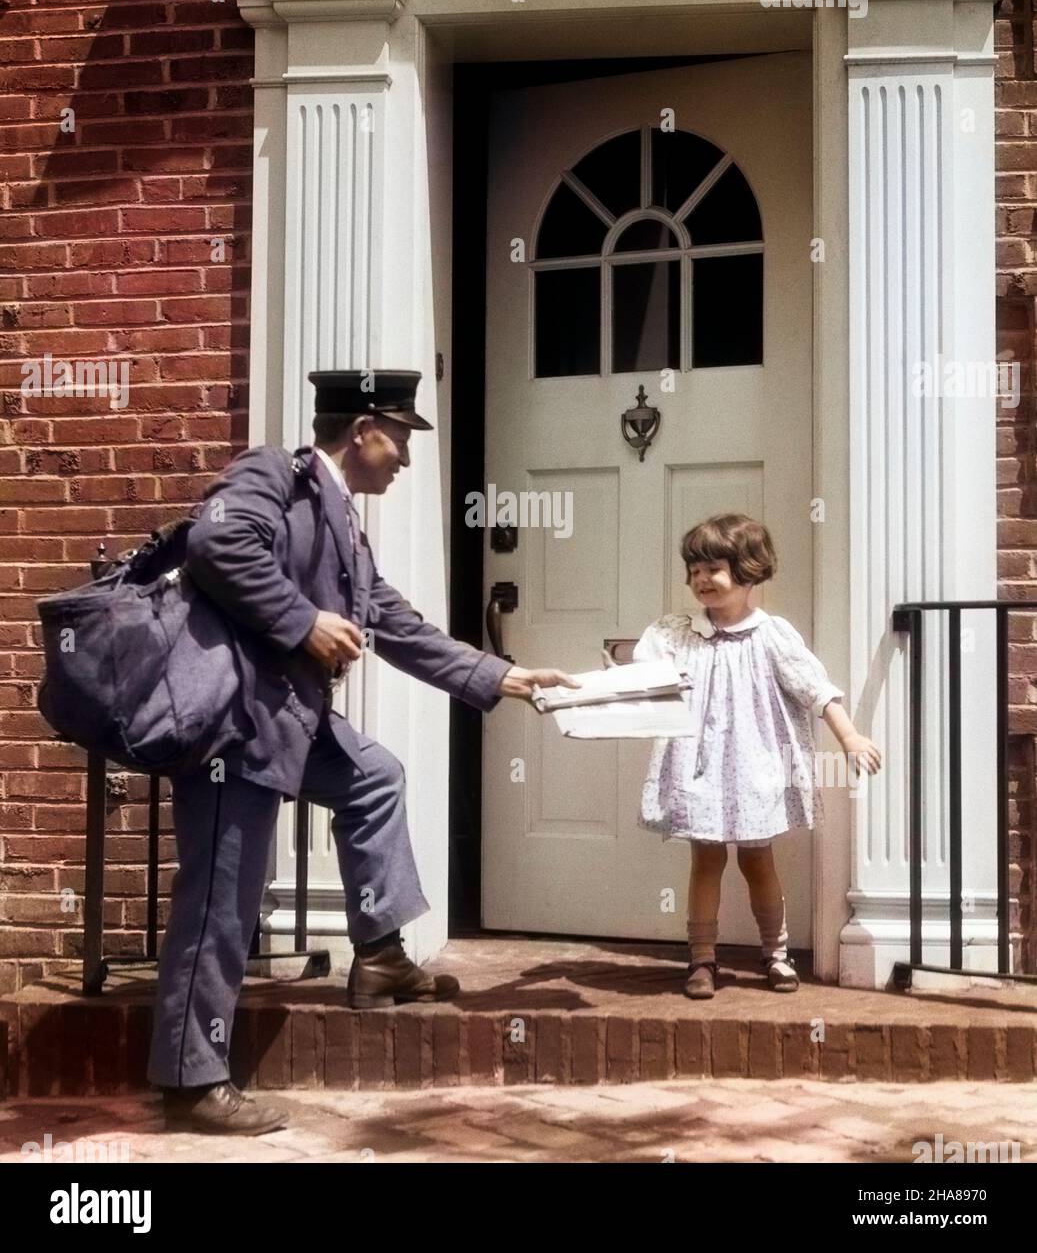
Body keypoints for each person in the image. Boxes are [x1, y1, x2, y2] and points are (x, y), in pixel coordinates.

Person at [150, 368, 578, 1135]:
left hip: (289, 719)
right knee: (221, 897)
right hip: (235, 725)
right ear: (362, 432)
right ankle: (191, 1079)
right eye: (402, 439)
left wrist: (502, 676)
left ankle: (379, 953)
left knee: (373, 777)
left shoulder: (343, 520)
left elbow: (392, 620)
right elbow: (216, 542)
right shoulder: (272, 473)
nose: (407, 460)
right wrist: (302, 621)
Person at [631, 513, 881, 1000]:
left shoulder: (772, 635)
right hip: (698, 767)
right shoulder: (676, 634)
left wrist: (849, 737)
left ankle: (777, 954)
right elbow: (640, 677)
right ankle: (702, 960)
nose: (702, 579)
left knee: (757, 860)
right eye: (695, 570)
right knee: (705, 858)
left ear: (749, 572)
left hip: (756, 766)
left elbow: (817, 690)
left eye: (714, 569)